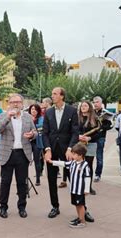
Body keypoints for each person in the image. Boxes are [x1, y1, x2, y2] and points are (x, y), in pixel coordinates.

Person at [0, 94, 36, 219]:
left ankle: (22, 207)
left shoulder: (27, 117)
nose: (15, 104)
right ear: (9, 104)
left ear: (22, 103)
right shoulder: (2, 116)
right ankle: (3, 207)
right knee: (5, 182)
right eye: (13, 102)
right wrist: (8, 118)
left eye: (18, 102)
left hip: (22, 153)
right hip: (7, 153)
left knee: (22, 183)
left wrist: (32, 134)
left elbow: (35, 132)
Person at [43, 87, 79, 219]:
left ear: (62, 96)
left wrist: (70, 148)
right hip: (52, 150)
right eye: (52, 93)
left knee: (74, 179)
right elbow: (45, 133)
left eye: (55, 94)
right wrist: (47, 149)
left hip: (67, 150)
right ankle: (55, 206)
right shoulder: (48, 112)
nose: (52, 96)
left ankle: (81, 208)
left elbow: (75, 132)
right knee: (52, 179)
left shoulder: (72, 111)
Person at [49, 143, 91, 228]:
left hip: (80, 190)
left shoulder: (85, 165)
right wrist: (52, 162)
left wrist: (86, 189)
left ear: (80, 155)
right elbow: (63, 163)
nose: (72, 155)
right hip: (74, 189)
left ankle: (82, 221)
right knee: (76, 204)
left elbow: (87, 177)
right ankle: (79, 218)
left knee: (81, 205)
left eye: (74, 154)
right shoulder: (73, 163)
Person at [78, 101, 100, 196]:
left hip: (91, 144)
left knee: (88, 166)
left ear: (89, 107)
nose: (83, 107)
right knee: (79, 165)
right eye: (82, 106)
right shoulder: (77, 118)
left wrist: (89, 138)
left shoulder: (95, 118)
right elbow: (73, 130)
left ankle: (88, 187)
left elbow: (99, 133)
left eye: (85, 105)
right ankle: (80, 185)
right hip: (79, 143)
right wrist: (78, 137)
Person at [93, 96, 114, 182]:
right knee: (88, 157)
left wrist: (101, 127)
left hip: (100, 138)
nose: (95, 104)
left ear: (101, 103)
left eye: (97, 102)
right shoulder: (92, 112)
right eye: (94, 102)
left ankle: (98, 174)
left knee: (99, 157)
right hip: (91, 137)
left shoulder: (105, 113)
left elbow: (109, 126)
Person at [28, 103, 44, 186]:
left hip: (37, 142)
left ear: (38, 111)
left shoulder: (41, 118)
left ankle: (38, 178)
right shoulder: (27, 118)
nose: (33, 111)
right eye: (32, 109)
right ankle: (24, 179)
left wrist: (32, 128)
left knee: (37, 161)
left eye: (35, 109)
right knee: (25, 160)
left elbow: (40, 127)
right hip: (27, 142)